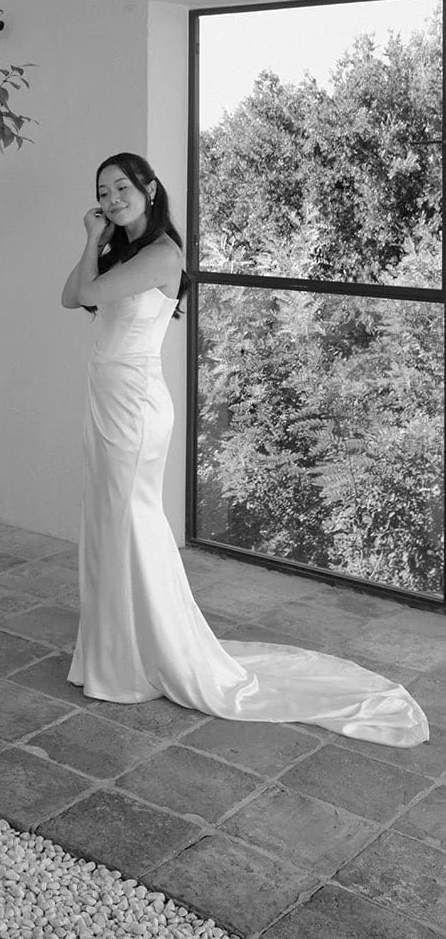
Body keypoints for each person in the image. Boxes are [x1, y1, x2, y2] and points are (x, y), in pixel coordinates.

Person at [61, 151, 428, 748]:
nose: (110, 198)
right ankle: (113, 651)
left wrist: (87, 239)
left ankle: (142, 656)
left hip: (134, 406)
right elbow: (68, 295)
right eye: (102, 191)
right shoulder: (120, 251)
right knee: (107, 522)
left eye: (121, 187)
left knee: (131, 521)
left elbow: (84, 295)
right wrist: (96, 240)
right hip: (106, 400)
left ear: (150, 190)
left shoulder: (161, 253)